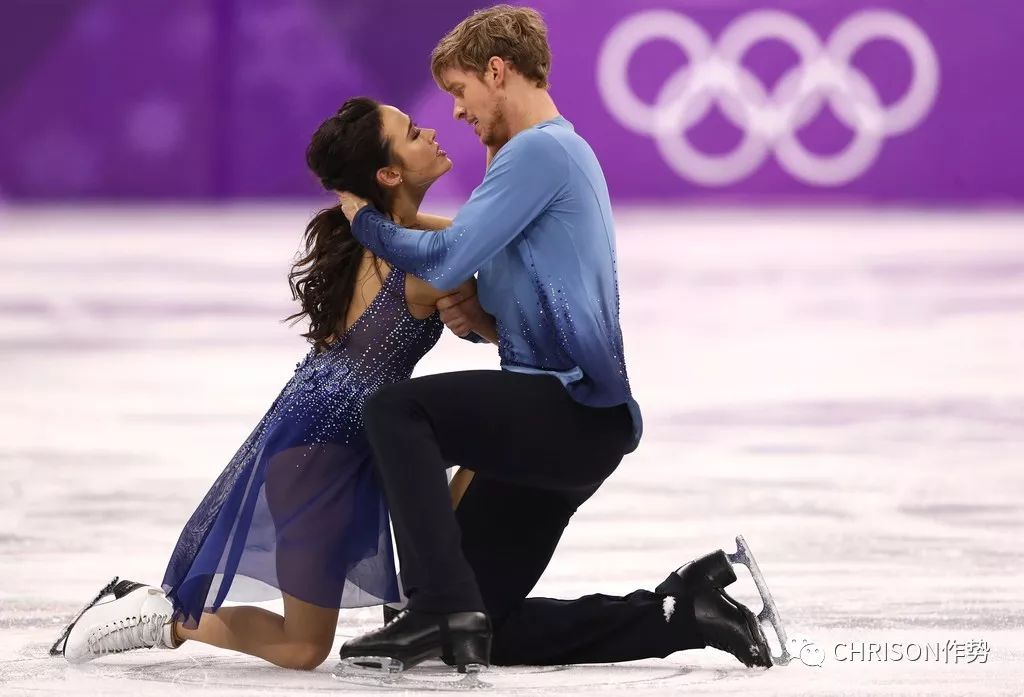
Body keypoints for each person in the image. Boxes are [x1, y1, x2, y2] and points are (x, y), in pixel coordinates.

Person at [336, 5, 777, 673]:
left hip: (570, 410)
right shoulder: (539, 156)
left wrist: (362, 219)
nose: (456, 112)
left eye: (459, 92)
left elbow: (449, 257)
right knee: (488, 629)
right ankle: (676, 611)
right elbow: (522, 305)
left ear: (496, 70)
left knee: (396, 411)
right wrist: (485, 324)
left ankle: (437, 604)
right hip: (572, 419)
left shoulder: (540, 151)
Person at [51, 97, 498, 670]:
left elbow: (464, 238)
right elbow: (485, 269)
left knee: (485, 452)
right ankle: (153, 618)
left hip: (366, 439)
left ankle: (438, 601)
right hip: (317, 457)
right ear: (389, 174)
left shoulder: (389, 236)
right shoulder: (424, 266)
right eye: (413, 133)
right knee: (303, 647)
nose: (432, 130)